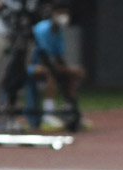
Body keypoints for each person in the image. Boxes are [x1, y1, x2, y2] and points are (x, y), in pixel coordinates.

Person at [27, 0, 86, 130]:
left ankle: (69, 109)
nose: (64, 16)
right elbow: (43, 57)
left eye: (66, 13)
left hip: (50, 65)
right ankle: (48, 114)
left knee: (73, 74)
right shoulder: (42, 29)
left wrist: (69, 69)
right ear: (53, 13)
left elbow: (59, 56)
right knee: (51, 73)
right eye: (61, 12)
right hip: (34, 65)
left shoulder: (58, 31)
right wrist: (62, 68)